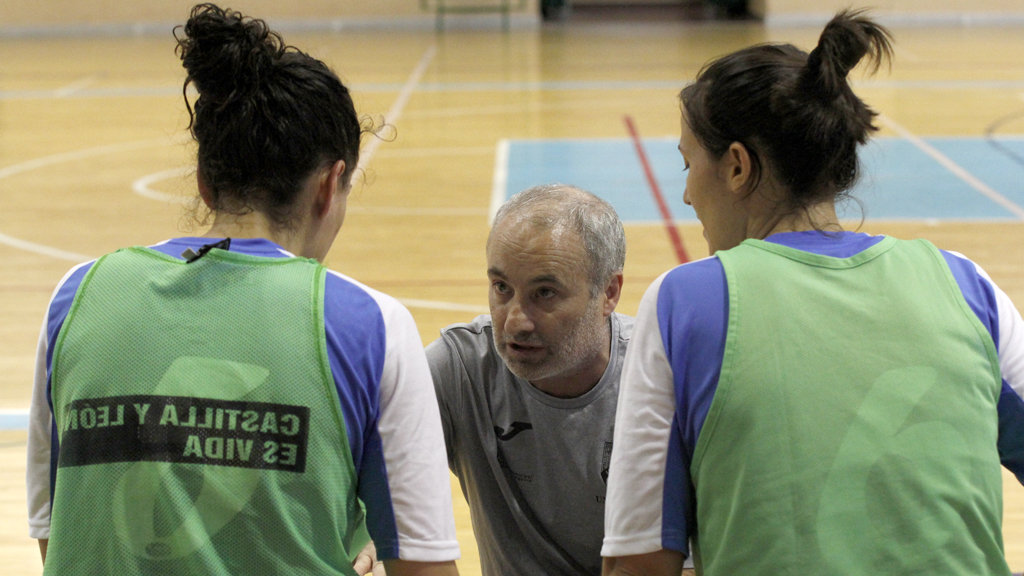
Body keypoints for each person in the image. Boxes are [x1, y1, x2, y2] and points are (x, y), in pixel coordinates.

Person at [25, 4, 459, 575]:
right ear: (330, 186)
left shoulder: (75, 298)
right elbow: (425, 569)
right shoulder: (371, 325)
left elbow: (61, 539)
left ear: (205, 182)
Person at [601, 9, 1024, 576]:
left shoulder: (684, 303)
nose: (683, 194)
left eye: (687, 163)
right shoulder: (967, 285)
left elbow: (639, 564)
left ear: (736, 167)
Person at [425, 184, 632, 576]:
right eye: (502, 288)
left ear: (608, 292)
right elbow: (351, 448)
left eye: (545, 293)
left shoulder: (656, 379)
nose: (515, 321)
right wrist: (362, 526)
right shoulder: (461, 370)